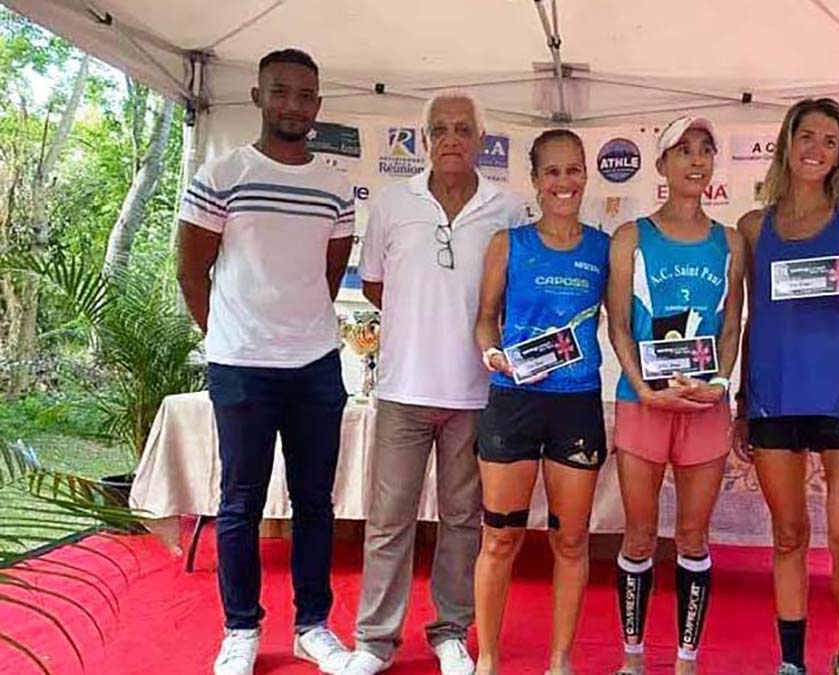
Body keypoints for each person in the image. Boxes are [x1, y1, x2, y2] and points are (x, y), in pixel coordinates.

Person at [176, 48, 355, 675]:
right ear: (257, 96)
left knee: (314, 502)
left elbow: (327, 277)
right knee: (240, 501)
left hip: (316, 366)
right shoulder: (221, 174)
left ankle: (313, 625)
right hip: (240, 366)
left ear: (318, 107)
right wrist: (230, 336)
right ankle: (241, 629)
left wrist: (291, 329)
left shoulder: (336, 188)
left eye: (305, 96)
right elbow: (190, 269)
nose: (293, 106)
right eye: (280, 92)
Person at [341, 92, 524, 675]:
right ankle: (374, 641)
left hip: (475, 394)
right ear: (423, 140)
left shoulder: (508, 209)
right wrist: (421, 318)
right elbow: (374, 285)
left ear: (480, 140)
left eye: (463, 129)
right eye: (439, 129)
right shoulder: (394, 203)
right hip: (401, 392)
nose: (451, 138)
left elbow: (510, 297)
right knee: (388, 520)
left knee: (463, 520)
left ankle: (450, 631)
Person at [734, 98, 839, 675]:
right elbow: (751, 319)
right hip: (774, 396)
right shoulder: (753, 227)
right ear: (786, 143)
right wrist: (744, 402)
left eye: (829, 140)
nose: (816, 149)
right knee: (789, 535)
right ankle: (792, 662)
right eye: (807, 136)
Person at [607, 116, 747, 675]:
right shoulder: (630, 237)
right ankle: (633, 657)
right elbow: (617, 323)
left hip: (704, 407)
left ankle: (687, 659)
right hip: (642, 401)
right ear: (661, 165)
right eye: (682, 150)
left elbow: (732, 325)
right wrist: (641, 387)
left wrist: (718, 385)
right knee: (639, 534)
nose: (695, 160)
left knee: (693, 534)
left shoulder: (730, 241)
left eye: (705, 150)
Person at [472, 129, 610, 675]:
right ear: (534, 181)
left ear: (585, 175)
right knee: (500, 537)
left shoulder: (604, 248)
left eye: (573, 170)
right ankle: (487, 658)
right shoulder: (509, 244)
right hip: (514, 401)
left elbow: (621, 325)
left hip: (576, 404)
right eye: (552, 172)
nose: (564, 182)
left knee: (571, 541)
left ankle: (559, 661)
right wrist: (489, 351)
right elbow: (486, 318)